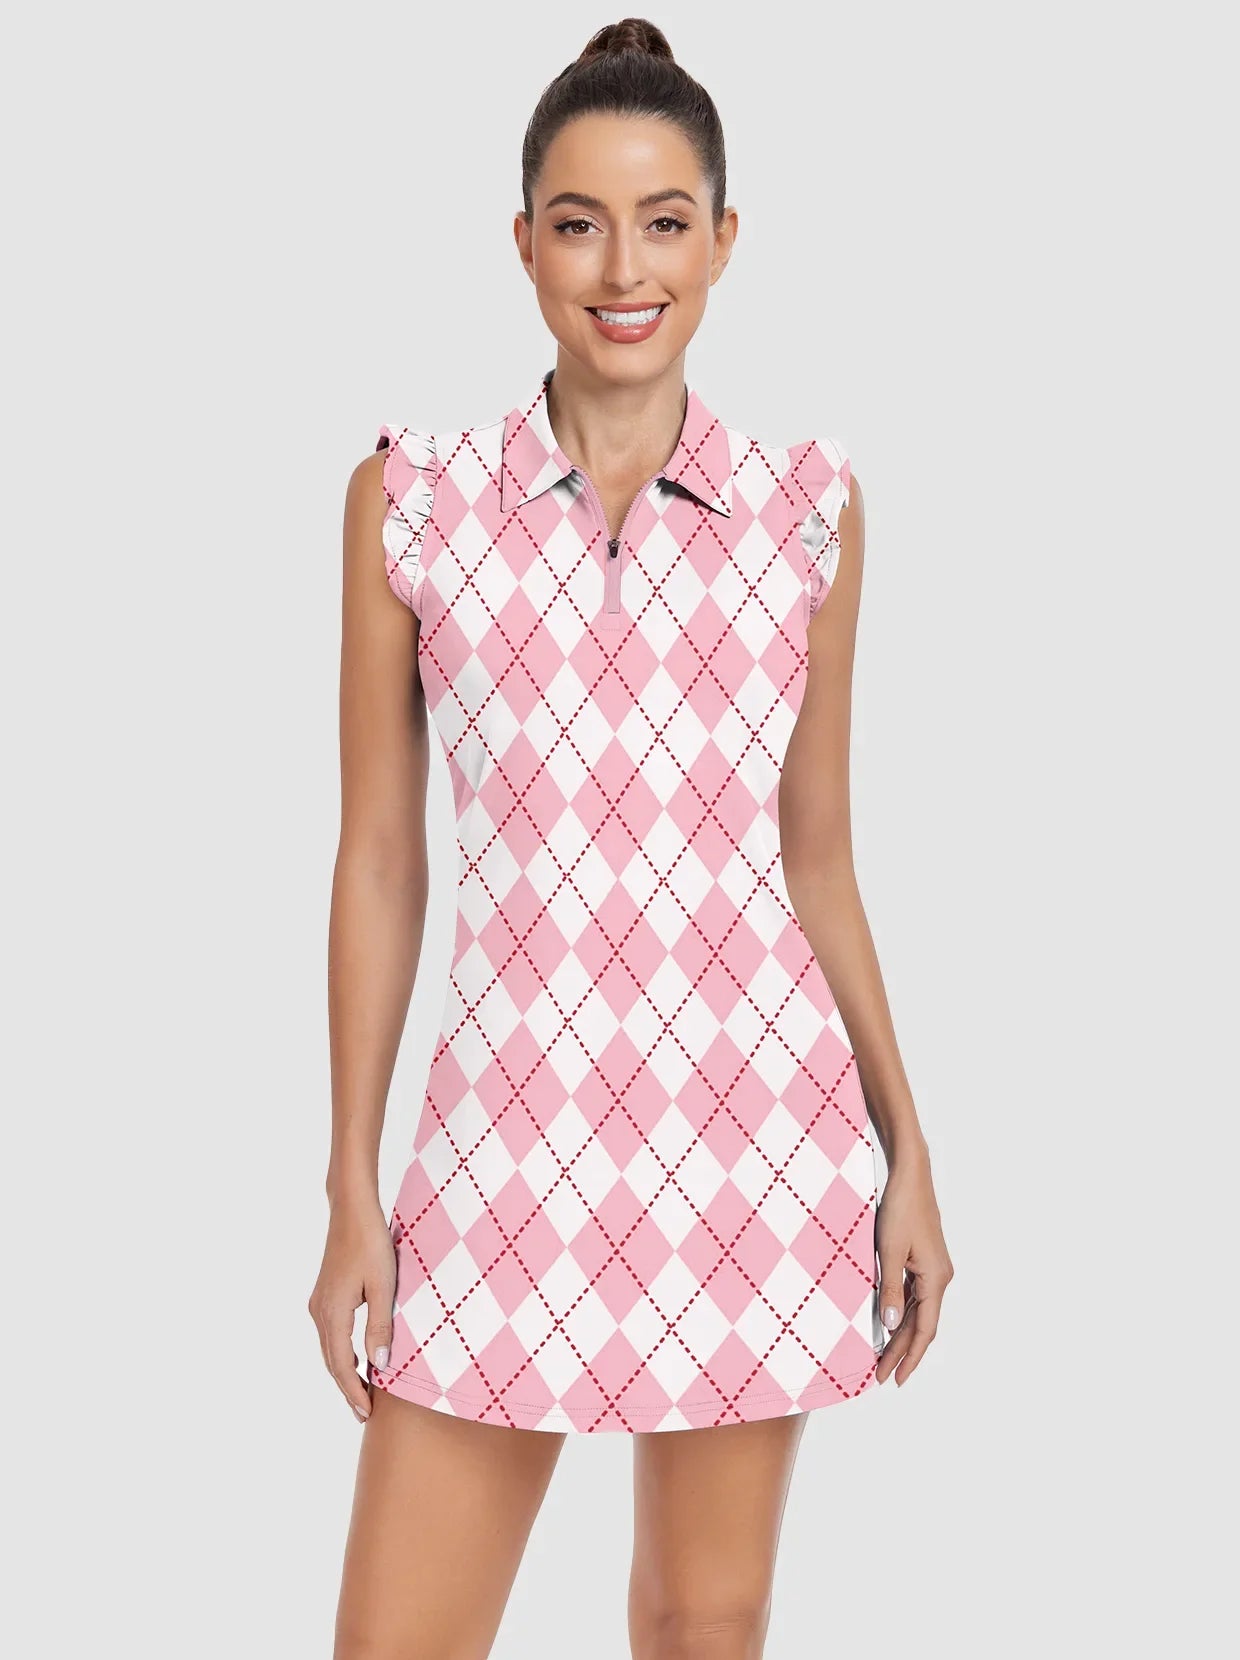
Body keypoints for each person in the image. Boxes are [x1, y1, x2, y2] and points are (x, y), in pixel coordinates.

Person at [309, 16, 953, 1657]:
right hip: (497, 1154)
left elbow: (819, 859)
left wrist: (911, 1156)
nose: (623, 268)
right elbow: (381, 860)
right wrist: (352, 1187)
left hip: (754, 1149)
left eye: (665, 222)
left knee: (700, 1621)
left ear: (724, 241)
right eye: (579, 222)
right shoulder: (412, 500)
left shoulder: (808, 509)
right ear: (523, 240)